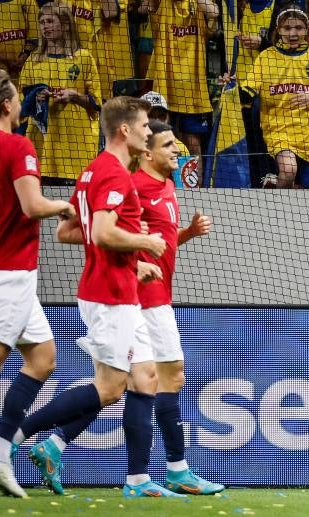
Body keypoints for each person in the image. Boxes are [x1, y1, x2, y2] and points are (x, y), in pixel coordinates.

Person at [28, 120, 222, 497]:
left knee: (129, 385)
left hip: (156, 294)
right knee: (150, 380)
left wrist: (186, 235)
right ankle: (165, 472)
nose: (176, 152)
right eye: (168, 145)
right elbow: (93, 235)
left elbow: (155, 242)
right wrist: (135, 265)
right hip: (138, 297)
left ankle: (55, 445)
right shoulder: (132, 184)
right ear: (147, 151)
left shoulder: (167, 185)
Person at [5, 96, 167, 497]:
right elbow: (102, 233)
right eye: (146, 126)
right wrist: (145, 241)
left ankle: (136, 480)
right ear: (125, 130)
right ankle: (12, 438)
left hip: (115, 285)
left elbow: (72, 232)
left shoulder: (93, 172)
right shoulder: (114, 175)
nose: (150, 132)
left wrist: (133, 261)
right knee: (111, 387)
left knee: (142, 377)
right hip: (109, 293)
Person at [0, 68, 75, 499]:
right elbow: (31, 206)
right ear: (8, 105)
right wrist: (63, 204)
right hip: (9, 272)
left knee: (43, 358)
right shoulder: (18, 145)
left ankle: (1, 452)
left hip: (17, 276)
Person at [243, 4, 309, 189]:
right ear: (278, 29)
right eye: (287, 28)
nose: (293, 33)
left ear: (307, 30)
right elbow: (248, 91)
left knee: (304, 197)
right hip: (279, 130)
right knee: (288, 170)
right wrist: (233, 87)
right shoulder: (266, 57)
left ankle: (273, 187)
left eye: (298, 28)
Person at [19, 2, 101, 185]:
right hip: (42, 148)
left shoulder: (84, 58)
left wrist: (74, 96)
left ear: (64, 25)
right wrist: (36, 98)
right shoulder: (33, 61)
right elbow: (21, 104)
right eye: (41, 22)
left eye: (50, 21)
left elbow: (96, 102)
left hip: (76, 148)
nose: (45, 26)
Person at [141, 0, 219, 179]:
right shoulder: (161, 4)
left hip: (193, 90)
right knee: (159, 140)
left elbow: (214, 13)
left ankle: (194, 188)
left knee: (193, 144)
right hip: (164, 87)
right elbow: (150, 7)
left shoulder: (199, 5)